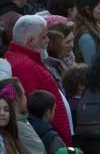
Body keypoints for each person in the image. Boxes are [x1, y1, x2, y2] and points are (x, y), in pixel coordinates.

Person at [6, 15, 73, 144]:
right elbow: (35, 110)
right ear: (31, 41)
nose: (48, 40)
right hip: (50, 140)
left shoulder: (27, 61)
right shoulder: (23, 66)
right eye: (44, 37)